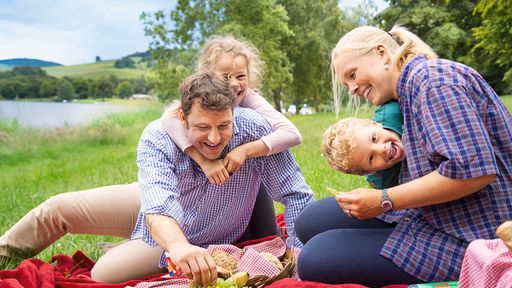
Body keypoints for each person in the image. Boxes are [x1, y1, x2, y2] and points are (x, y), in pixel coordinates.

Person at [295, 25, 512, 287]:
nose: (351, 89)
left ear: (382, 53)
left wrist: (384, 200)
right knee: (310, 220)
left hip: (475, 232)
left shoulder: (433, 83)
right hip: (432, 213)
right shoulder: (408, 90)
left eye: (353, 75)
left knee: (315, 258)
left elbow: (474, 173)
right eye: (347, 83)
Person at [101, 71, 312, 285]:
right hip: (167, 231)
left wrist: (300, 255)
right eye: (203, 127)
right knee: (102, 274)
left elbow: (295, 193)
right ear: (182, 118)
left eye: (223, 126)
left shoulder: (253, 128)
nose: (214, 138)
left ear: (233, 113)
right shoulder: (156, 137)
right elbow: (158, 208)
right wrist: (179, 247)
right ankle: (124, 243)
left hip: (216, 237)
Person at [161, 35, 302, 185]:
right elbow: (168, 119)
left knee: (260, 203)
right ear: (209, 76)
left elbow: (292, 134)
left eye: (241, 76)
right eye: (225, 77)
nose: (234, 84)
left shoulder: (249, 97)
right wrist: (204, 162)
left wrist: (244, 151)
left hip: (247, 173)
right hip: (202, 176)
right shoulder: (199, 100)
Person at [323, 100, 403, 189]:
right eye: (371, 158)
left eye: (374, 138)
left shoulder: (393, 111)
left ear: (375, 124)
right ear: (368, 172)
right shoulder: (384, 183)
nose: (382, 149)